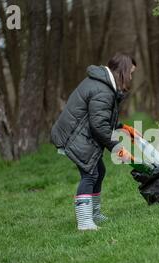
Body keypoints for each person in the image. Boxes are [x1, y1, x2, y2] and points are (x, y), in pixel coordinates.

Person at [51, 53, 136, 231]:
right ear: (122, 71)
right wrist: (117, 148)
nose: (131, 77)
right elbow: (99, 126)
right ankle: (84, 222)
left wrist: (122, 127)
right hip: (75, 137)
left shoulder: (101, 84)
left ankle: (94, 213)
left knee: (99, 170)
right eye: (130, 73)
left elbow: (100, 118)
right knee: (90, 174)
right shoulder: (103, 90)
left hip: (79, 133)